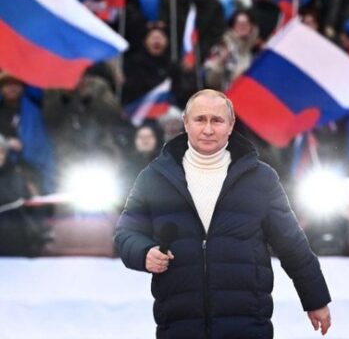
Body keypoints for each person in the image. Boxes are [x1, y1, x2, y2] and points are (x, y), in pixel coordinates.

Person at [115, 89, 332, 338]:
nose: (208, 129)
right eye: (200, 119)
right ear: (185, 123)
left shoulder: (261, 179)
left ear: (231, 125)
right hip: (179, 326)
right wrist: (144, 253)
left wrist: (316, 299)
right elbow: (125, 235)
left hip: (247, 325)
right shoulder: (153, 178)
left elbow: (292, 244)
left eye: (217, 120)